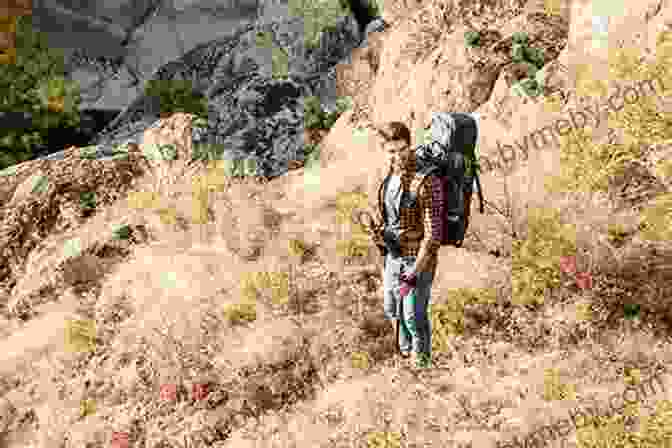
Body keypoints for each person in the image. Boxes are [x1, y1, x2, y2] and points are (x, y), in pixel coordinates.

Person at [371, 121, 441, 370]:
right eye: (391, 151)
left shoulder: (427, 180)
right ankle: (406, 356)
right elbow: (389, 217)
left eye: (402, 150)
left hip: (418, 259)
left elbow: (433, 236)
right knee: (392, 310)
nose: (398, 156)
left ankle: (422, 367)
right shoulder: (386, 176)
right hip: (393, 256)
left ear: (410, 146)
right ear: (384, 150)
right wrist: (379, 234)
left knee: (413, 317)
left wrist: (413, 274)